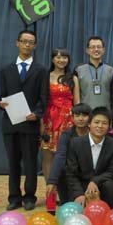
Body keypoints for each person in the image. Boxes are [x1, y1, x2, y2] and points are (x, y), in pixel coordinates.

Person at [0, 30, 49, 211]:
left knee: (30, 164)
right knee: (13, 164)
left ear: (35, 46)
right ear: (17, 43)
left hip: (30, 124)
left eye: (31, 42)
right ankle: (14, 198)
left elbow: (44, 98)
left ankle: (29, 197)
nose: (27, 44)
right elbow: (1, 95)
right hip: (10, 124)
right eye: (24, 41)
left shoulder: (41, 70)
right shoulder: (6, 69)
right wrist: (0, 103)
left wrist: (37, 113)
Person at [66, 107, 113, 208]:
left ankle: (109, 211)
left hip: (101, 184)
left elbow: (112, 172)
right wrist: (79, 193)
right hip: (81, 185)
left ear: (109, 126)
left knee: (111, 185)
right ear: (89, 124)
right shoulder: (75, 143)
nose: (100, 126)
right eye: (96, 122)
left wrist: (95, 181)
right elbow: (71, 173)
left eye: (104, 123)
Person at [41, 48, 80, 183]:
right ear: (52, 59)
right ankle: (50, 188)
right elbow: (42, 100)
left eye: (64, 57)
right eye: (58, 57)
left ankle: (67, 188)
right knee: (48, 154)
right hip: (50, 118)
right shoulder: (45, 76)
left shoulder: (73, 78)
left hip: (68, 118)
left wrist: (78, 121)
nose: (61, 60)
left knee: (68, 154)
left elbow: (77, 102)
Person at [46, 103, 91, 205]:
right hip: (72, 173)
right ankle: (64, 201)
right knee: (61, 170)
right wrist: (52, 181)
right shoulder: (66, 135)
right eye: (77, 115)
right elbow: (60, 156)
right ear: (72, 118)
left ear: (90, 118)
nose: (80, 119)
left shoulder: (94, 134)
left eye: (84, 115)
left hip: (90, 173)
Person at [75, 36, 113, 109]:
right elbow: (76, 98)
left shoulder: (111, 70)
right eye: (93, 47)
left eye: (99, 47)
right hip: (86, 113)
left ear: (103, 50)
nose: (96, 49)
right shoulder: (78, 70)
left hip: (106, 113)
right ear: (87, 50)